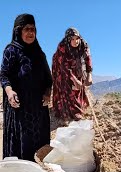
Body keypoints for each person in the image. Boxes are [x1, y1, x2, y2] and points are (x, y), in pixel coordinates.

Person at [0, 14, 52, 161]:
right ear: (19, 31)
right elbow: (3, 75)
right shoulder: (11, 50)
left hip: (38, 111)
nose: (31, 33)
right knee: (21, 148)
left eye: (33, 29)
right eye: (27, 29)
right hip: (19, 109)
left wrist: (48, 93)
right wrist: (9, 91)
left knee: (39, 147)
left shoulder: (40, 54)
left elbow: (48, 79)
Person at [52, 27, 93, 121]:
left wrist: (89, 74)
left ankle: (79, 106)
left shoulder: (84, 45)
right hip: (60, 67)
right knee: (65, 85)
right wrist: (74, 80)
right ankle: (70, 111)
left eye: (77, 38)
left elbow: (88, 59)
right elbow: (64, 68)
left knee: (78, 85)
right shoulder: (62, 48)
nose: (76, 41)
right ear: (68, 39)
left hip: (76, 65)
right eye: (72, 39)